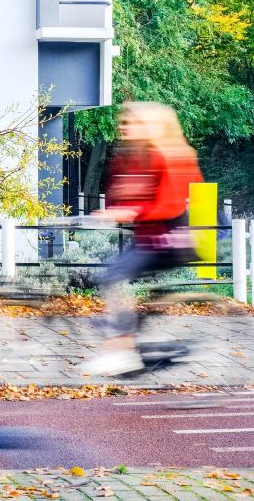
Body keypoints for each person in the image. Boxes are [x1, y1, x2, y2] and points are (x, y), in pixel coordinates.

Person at [78, 101, 204, 377]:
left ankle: (122, 351)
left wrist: (132, 208)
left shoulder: (171, 156)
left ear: (151, 127)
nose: (124, 126)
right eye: (123, 121)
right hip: (146, 237)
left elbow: (171, 205)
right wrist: (112, 209)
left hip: (169, 239)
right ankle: (125, 341)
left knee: (113, 276)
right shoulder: (127, 157)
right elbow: (117, 196)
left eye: (132, 122)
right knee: (110, 279)